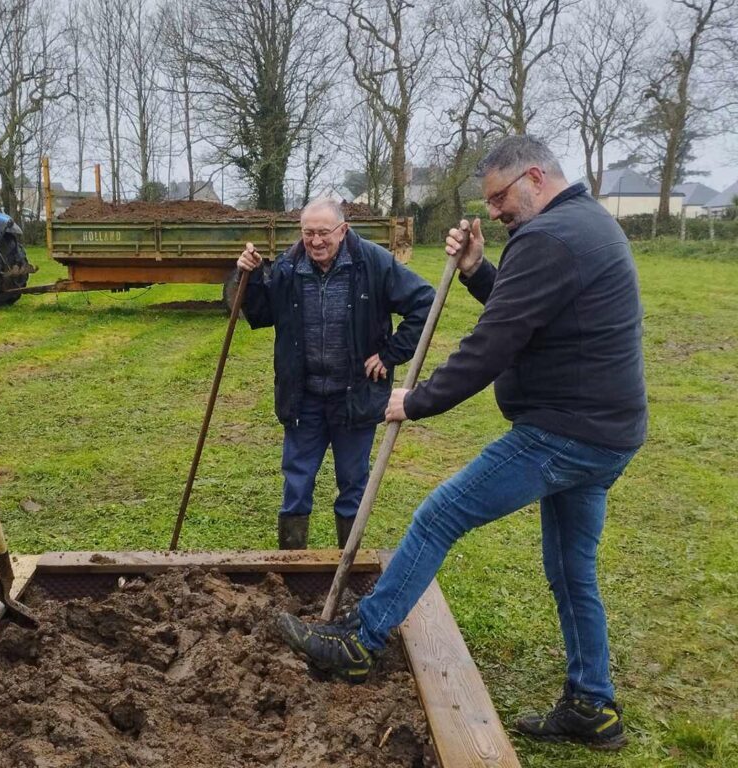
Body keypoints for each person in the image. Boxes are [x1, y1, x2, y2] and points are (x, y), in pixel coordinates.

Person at [277, 136, 647, 751]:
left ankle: (358, 641)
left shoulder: (549, 236)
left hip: (564, 432)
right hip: (606, 432)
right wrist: (477, 271)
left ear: (534, 177)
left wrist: (415, 399)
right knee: (571, 571)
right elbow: (526, 310)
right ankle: (592, 704)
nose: (496, 211)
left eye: (501, 197)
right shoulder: (585, 226)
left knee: (441, 512)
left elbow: (494, 341)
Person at [237, 198, 434, 550]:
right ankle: (292, 568)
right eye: (308, 233)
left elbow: (424, 302)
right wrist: (249, 277)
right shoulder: (288, 266)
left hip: (354, 396)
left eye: (324, 232)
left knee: (353, 483)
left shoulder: (373, 263)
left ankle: (348, 565)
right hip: (304, 397)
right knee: (296, 483)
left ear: (343, 230)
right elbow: (259, 313)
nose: (315, 241)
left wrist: (390, 353)